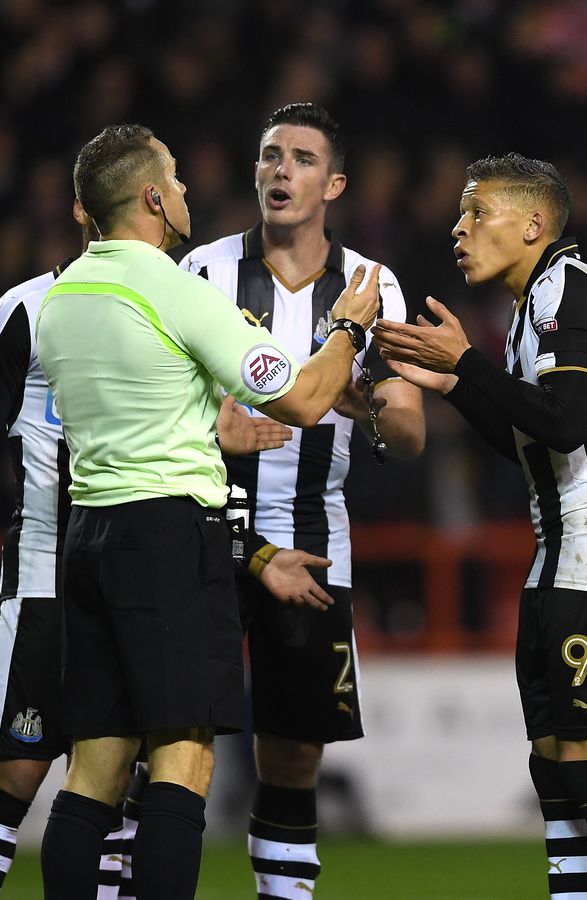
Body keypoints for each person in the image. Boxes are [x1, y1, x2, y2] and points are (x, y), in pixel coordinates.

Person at [33, 123, 378, 900]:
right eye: (178, 181)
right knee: (183, 761)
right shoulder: (177, 290)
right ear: (153, 198)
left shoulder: (61, 298)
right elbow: (306, 397)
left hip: (88, 536)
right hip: (168, 540)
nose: (188, 192)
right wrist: (349, 328)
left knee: (94, 771)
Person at [0, 200, 298, 900]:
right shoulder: (30, 308)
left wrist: (223, 447)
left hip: (127, 562)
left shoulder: (169, 300)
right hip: (47, 571)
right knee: (19, 773)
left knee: (127, 772)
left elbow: (170, 440)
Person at [372, 153, 587, 900]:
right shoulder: (532, 305)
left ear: (534, 225)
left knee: (586, 756)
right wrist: (455, 383)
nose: (459, 227)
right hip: (562, 553)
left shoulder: (567, 290)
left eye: (478, 213)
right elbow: (526, 437)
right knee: (553, 760)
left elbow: (568, 426)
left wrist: (469, 366)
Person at [179, 102, 425, 900]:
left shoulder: (371, 285)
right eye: (270, 156)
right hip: (206, 539)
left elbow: (409, 428)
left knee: (293, 758)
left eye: (302, 159)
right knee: (176, 750)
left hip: (316, 544)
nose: (281, 171)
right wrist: (219, 428)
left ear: (335, 183)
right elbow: (167, 408)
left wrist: (380, 408)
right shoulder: (203, 272)